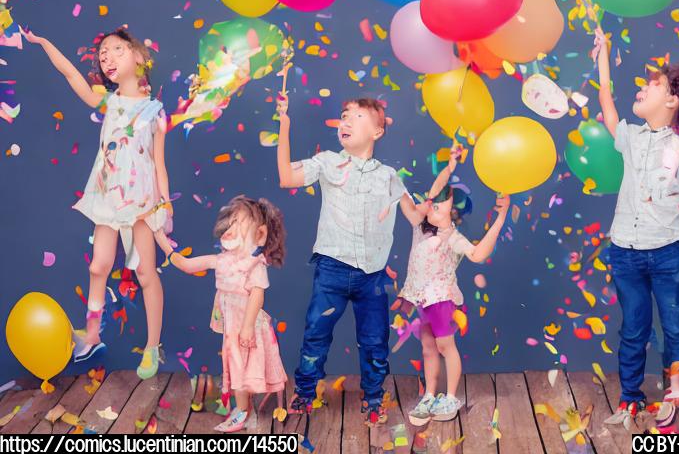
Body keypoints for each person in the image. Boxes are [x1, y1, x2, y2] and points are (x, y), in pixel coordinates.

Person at [22, 27, 171, 379]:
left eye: (116, 50)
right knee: (97, 267)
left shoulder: (155, 111)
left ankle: (152, 347)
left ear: (138, 57)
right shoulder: (107, 100)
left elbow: (159, 163)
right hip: (107, 195)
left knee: (146, 273)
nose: (107, 59)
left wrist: (165, 204)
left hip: (140, 201)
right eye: (103, 56)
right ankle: (91, 334)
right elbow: (70, 73)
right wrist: (44, 41)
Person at [594, 26, 679, 424]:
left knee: (673, 324)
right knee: (633, 328)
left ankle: (674, 390)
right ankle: (629, 397)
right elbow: (606, 101)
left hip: (668, 252)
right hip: (626, 252)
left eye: (654, 84)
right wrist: (602, 55)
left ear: (672, 99)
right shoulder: (629, 137)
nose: (643, 88)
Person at [276, 92, 409, 425]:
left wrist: (448, 173)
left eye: (358, 116)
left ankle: (374, 398)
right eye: (344, 115)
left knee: (375, 341)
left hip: (373, 275)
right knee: (315, 336)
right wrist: (284, 128)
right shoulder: (327, 163)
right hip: (332, 269)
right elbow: (286, 178)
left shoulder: (390, 176)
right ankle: (304, 393)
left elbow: (416, 214)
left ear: (378, 131)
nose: (346, 121)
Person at [397, 145, 510, 426]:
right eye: (432, 204)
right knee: (427, 348)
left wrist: (501, 218)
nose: (432, 206)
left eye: (439, 206)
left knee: (446, 345)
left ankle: (449, 396)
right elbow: (432, 192)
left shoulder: (453, 238)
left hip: (442, 299)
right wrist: (449, 167)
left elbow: (478, 254)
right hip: (422, 299)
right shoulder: (419, 225)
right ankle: (430, 396)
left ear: (453, 214)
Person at [155, 196, 288, 432]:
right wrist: (161, 240)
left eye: (240, 223)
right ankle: (244, 408)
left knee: (243, 366)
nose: (231, 228)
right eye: (230, 221)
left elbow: (257, 296)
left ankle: (243, 410)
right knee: (236, 365)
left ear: (259, 235)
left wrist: (247, 327)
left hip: (249, 325)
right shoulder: (221, 261)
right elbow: (187, 265)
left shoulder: (254, 264)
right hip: (232, 327)